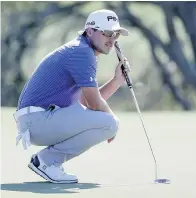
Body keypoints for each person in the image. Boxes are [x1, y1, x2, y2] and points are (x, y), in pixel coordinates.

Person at [13, 9, 130, 184]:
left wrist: (116, 81)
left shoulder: (81, 50)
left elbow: (85, 103)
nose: (112, 39)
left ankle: (46, 160)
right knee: (110, 123)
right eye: (107, 33)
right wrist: (111, 123)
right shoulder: (82, 52)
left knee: (107, 122)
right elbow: (95, 105)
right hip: (37, 120)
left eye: (116, 34)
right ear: (90, 31)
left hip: (36, 120)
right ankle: (48, 161)